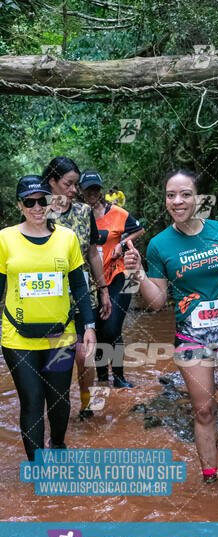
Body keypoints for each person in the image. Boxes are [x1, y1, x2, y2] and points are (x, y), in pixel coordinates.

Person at [124, 169, 218, 488]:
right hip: (191, 336)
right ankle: (211, 483)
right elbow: (157, 302)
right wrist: (140, 273)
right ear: (165, 200)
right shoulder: (159, 245)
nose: (178, 201)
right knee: (204, 410)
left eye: (185, 194)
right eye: (171, 195)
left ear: (198, 198)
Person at [0, 175, 96, 461]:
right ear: (20, 205)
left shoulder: (66, 238)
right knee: (31, 400)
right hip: (17, 337)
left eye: (43, 200)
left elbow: (79, 285)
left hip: (61, 335)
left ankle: (58, 444)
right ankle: (38, 466)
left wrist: (88, 326)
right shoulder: (4, 239)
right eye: (30, 202)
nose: (37, 207)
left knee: (59, 398)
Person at [42, 157, 112, 418]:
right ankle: (57, 411)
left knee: (85, 354)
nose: (73, 190)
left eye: (76, 185)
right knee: (58, 357)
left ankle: (86, 404)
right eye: (68, 184)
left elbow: (93, 253)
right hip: (49, 297)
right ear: (52, 182)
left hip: (83, 294)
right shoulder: (39, 211)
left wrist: (103, 289)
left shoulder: (83, 212)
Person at [80, 169, 144, 387]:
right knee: (97, 329)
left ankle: (119, 377)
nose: (91, 194)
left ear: (100, 191)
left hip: (118, 276)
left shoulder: (116, 212)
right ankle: (102, 378)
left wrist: (122, 243)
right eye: (87, 190)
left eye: (95, 189)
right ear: (80, 190)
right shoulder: (78, 215)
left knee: (112, 328)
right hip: (91, 282)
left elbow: (139, 228)